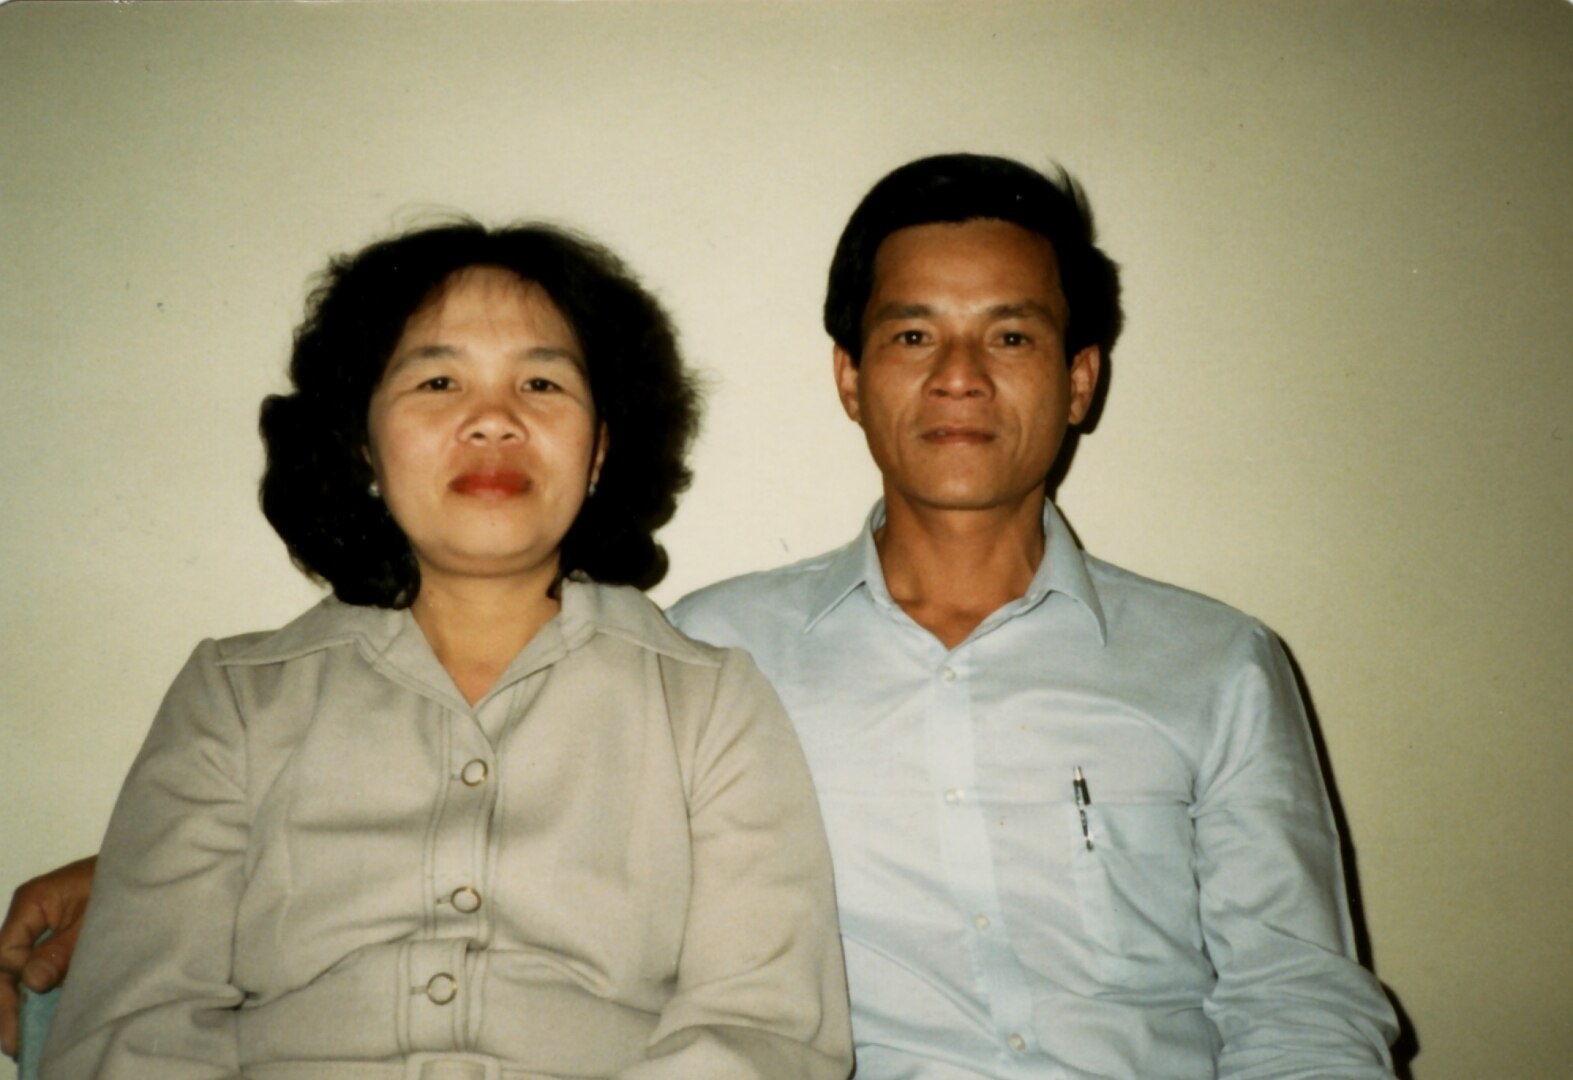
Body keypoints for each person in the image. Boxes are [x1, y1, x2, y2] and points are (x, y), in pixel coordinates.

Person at [5, 153, 1400, 1078]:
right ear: (850, 379)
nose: (960, 376)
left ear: (1081, 377)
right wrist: (129, 871)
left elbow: (1300, 992)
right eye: (912, 334)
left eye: (1012, 335)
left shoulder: (1217, 665)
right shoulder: (731, 652)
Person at [16, 222, 853, 1079]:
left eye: (540, 381)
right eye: (438, 380)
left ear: (599, 447)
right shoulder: (234, 698)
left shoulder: (710, 703)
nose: (493, 419)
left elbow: (764, 1032)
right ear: (362, 443)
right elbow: (130, 1029)